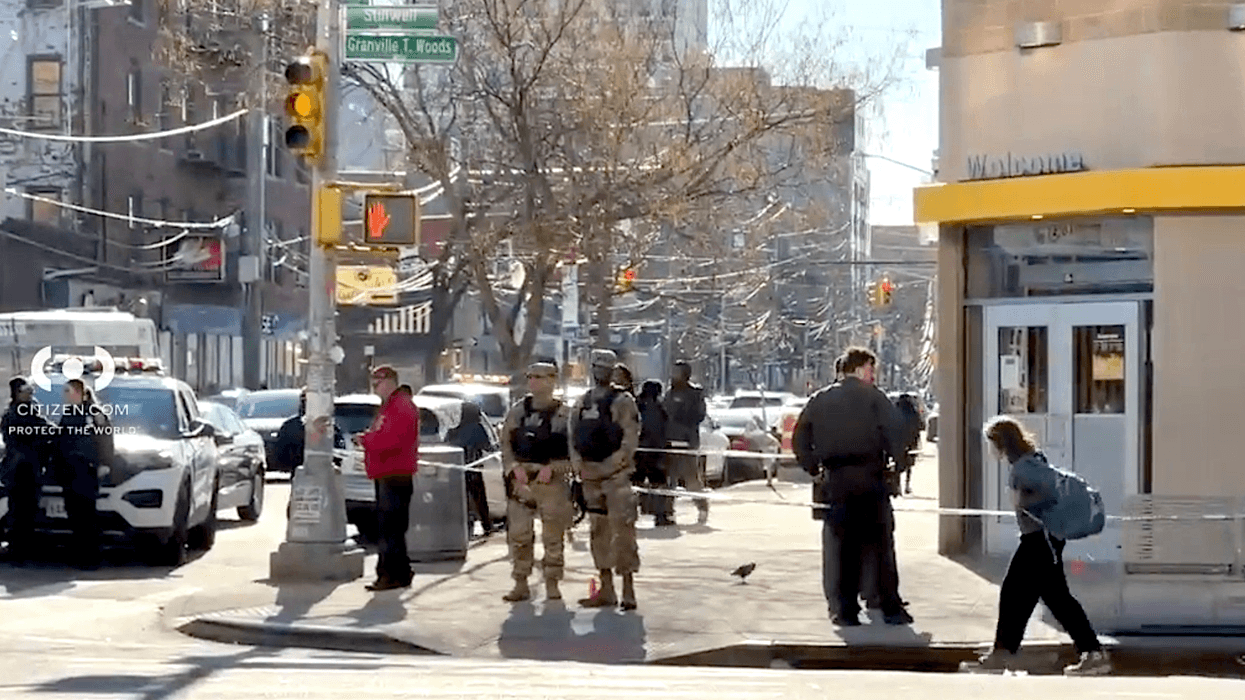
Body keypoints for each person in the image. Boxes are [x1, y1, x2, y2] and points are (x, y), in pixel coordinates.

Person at [962, 416, 1112, 676]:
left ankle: (1091, 653)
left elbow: (1041, 499)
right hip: (1044, 540)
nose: (989, 450)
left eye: (991, 443)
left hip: (1039, 541)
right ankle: (1005, 653)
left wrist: (1021, 499)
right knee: (1029, 596)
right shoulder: (1034, 460)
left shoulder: (1022, 469)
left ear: (1001, 444)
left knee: (1034, 596)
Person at [792, 347, 911, 626]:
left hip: (836, 481)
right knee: (881, 544)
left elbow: (799, 440)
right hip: (871, 478)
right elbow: (896, 433)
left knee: (840, 546)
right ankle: (889, 606)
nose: (873, 375)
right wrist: (899, 464)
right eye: (871, 369)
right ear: (858, 369)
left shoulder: (819, 400)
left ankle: (844, 610)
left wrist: (813, 467)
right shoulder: (875, 398)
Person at [499, 361, 576, 602]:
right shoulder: (518, 412)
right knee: (519, 535)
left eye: (539, 377)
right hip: (522, 482)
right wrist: (513, 468)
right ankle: (520, 581)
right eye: (530, 376)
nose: (533, 382)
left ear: (552, 380)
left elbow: (576, 455)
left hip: (551, 483)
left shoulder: (566, 415)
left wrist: (554, 468)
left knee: (553, 536)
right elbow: (506, 445)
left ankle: (552, 582)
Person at [570, 349, 641, 610]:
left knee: (623, 534)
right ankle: (606, 589)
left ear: (612, 371)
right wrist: (579, 466)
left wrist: (609, 467)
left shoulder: (623, 401)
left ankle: (628, 589)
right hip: (590, 478)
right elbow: (572, 436)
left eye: (605, 368)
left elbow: (630, 439)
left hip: (616, 478)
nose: (599, 371)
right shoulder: (583, 402)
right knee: (598, 534)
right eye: (596, 366)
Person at [359, 366, 420, 592]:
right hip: (386, 473)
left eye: (378, 383)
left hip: (395, 474)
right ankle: (401, 571)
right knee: (391, 528)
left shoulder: (401, 407)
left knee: (390, 529)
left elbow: (392, 441)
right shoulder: (390, 406)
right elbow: (383, 434)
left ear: (390, 381)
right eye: (373, 383)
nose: (375, 388)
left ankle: (389, 574)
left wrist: (367, 441)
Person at [57, 379, 111, 569]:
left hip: (86, 470)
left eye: (68, 391)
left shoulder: (94, 413)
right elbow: (62, 439)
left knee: (87, 514)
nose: (65, 395)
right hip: (69, 471)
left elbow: (105, 438)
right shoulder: (69, 413)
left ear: (80, 393)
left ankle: (92, 557)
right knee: (74, 514)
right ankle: (79, 554)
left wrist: (104, 463)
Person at [1, 377, 54, 563]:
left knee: (29, 513)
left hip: (32, 470)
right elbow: (33, 432)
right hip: (20, 471)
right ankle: (18, 552)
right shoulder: (14, 414)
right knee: (19, 514)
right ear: (17, 392)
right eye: (25, 390)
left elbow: (45, 427)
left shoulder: (31, 410)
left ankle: (25, 550)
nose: (29, 394)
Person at [662, 360, 708, 525]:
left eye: (677, 372)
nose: (673, 375)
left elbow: (699, 415)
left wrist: (683, 419)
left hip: (687, 442)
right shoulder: (669, 393)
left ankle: (702, 507)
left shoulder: (695, 394)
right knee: (669, 480)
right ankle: (668, 512)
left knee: (691, 480)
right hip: (670, 442)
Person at [447, 401, 495, 537]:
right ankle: (487, 526)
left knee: (463, 501)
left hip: (456, 470)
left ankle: (467, 529)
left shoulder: (454, 430)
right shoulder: (477, 427)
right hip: (474, 469)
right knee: (479, 500)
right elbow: (487, 446)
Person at [274, 389, 346, 475]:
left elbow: (339, 452)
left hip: (323, 475)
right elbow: (281, 453)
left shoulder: (329, 427)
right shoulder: (291, 426)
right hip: (302, 474)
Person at [633, 380, 673, 526]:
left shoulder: (636, 404)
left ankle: (629, 515)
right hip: (653, 452)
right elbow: (658, 431)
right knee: (659, 485)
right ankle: (660, 515)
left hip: (637, 451)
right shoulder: (656, 407)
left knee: (634, 484)